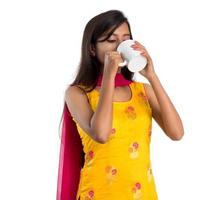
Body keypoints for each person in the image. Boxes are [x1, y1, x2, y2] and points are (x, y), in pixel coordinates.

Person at [57, 9, 184, 200]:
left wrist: (152, 76)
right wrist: (109, 75)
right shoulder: (77, 93)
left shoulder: (143, 91)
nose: (120, 46)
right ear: (92, 49)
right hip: (98, 194)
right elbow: (101, 134)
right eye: (111, 40)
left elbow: (177, 133)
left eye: (126, 39)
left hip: (143, 195)